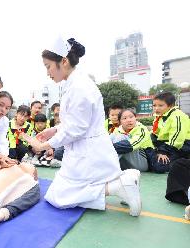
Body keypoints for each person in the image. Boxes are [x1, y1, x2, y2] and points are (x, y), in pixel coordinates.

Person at [22, 36, 141, 216]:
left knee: (59, 197)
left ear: (63, 61)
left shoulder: (79, 86)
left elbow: (76, 128)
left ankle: (119, 186)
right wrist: (53, 130)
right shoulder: (75, 83)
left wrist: (44, 145)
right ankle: (127, 178)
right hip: (85, 149)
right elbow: (75, 122)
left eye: (48, 66)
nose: (48, 72)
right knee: (58, 193)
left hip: (87, 153)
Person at [151, 92, 190, 173]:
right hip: (167, 145)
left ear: (170, 105)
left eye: (160, 105)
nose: (156, 108)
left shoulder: (177, 116)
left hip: (182, 145)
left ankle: (184, 161)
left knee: (159, 167)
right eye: (154, 105)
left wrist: (162, 151)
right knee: (151, 158)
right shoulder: (160, 116)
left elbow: (177, 139)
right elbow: (155, 134)